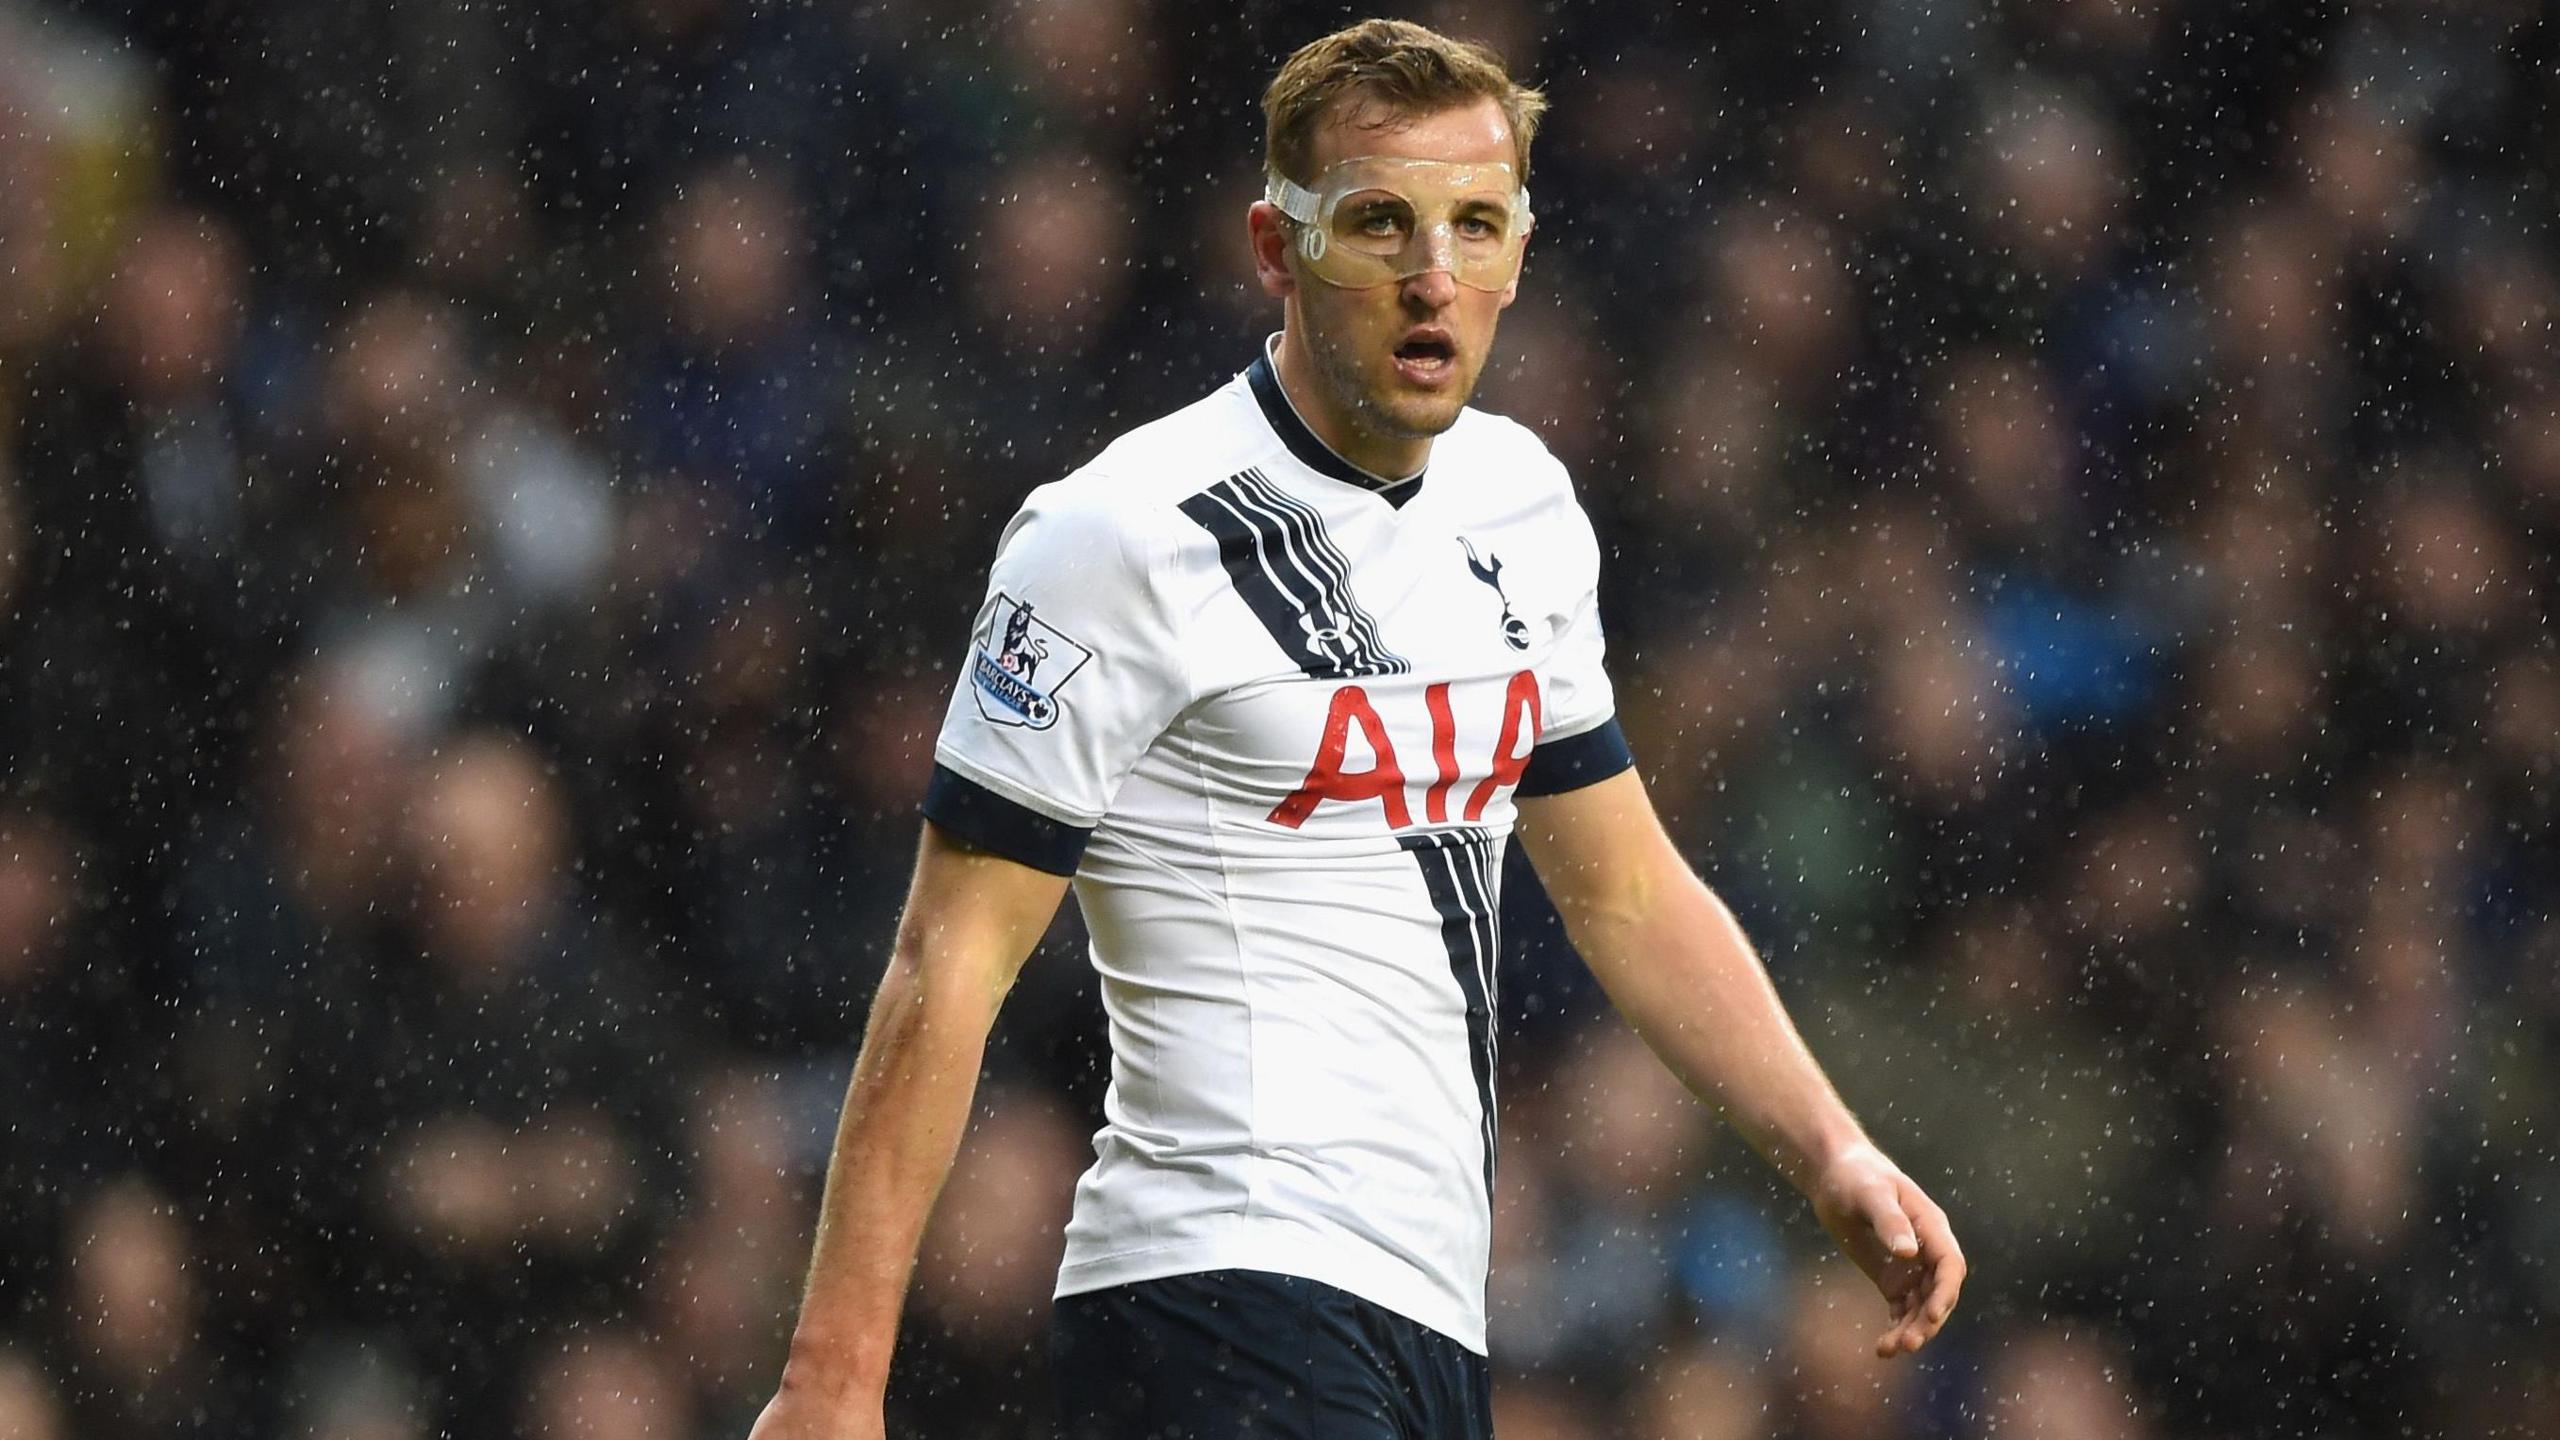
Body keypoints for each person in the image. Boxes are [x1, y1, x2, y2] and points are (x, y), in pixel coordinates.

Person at [749, 20, 1964, 1440]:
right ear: (1277, 247)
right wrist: (833, 1376)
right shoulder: (1118, 537)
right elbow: (944, 961)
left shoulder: (1522, 505)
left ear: (1522, 249)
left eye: (1476, 224)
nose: (1433, 276)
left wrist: (1828, 1149)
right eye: (1380, 223)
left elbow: (1625, 890)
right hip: (1211, 1298)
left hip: (1432, 1321)